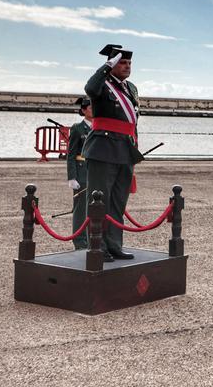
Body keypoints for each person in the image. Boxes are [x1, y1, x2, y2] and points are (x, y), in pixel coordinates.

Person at [82, 44, 143, 262]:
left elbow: (133, 121)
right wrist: (106, 66)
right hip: (103, 148)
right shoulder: (103, 84)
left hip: (125, 149)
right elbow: (90, 89)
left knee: (118, 201)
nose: (127, 66)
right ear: (112, 65)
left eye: (129, 63)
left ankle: (115, 244)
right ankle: (97, 246)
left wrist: (135, 148)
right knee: (100, 200)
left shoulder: (131, 88)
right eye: (122, 63)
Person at [67, 97, 93, 250]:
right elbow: (70, 154)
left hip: (97, 171)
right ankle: (79, 241)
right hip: (82, 171)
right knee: (80, 209)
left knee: (96, 207)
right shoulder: (77, 128)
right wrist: (71, 176)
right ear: (83, 110)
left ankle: (93, 239)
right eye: (90, 107)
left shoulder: (100, 127)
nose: (94, 110)